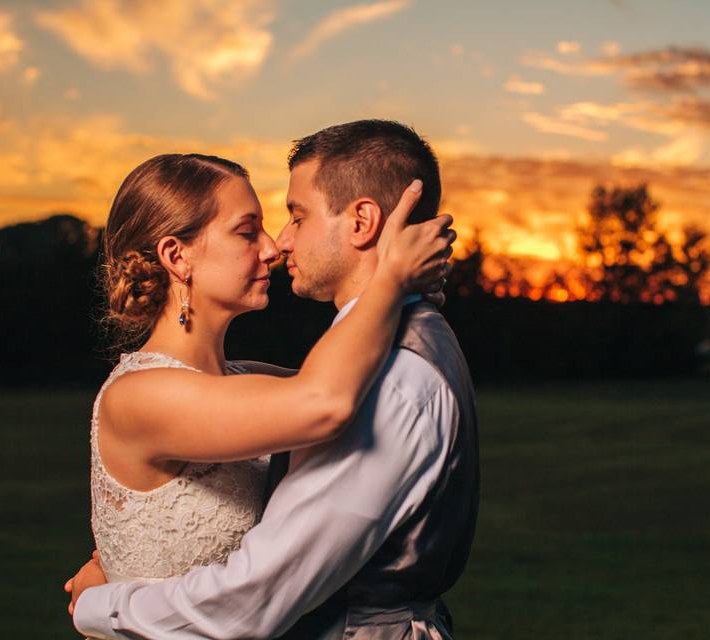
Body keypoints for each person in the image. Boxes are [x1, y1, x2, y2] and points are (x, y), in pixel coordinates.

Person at [70, 121, 479, 639]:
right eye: (248, 231)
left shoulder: (257, 381)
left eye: (290, 217)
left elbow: (331, 385)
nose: (274, 246)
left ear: (363, 221)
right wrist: (393, 281)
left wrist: (396, 291)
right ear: (178, 256)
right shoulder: (143, 394)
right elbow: (323, 398)